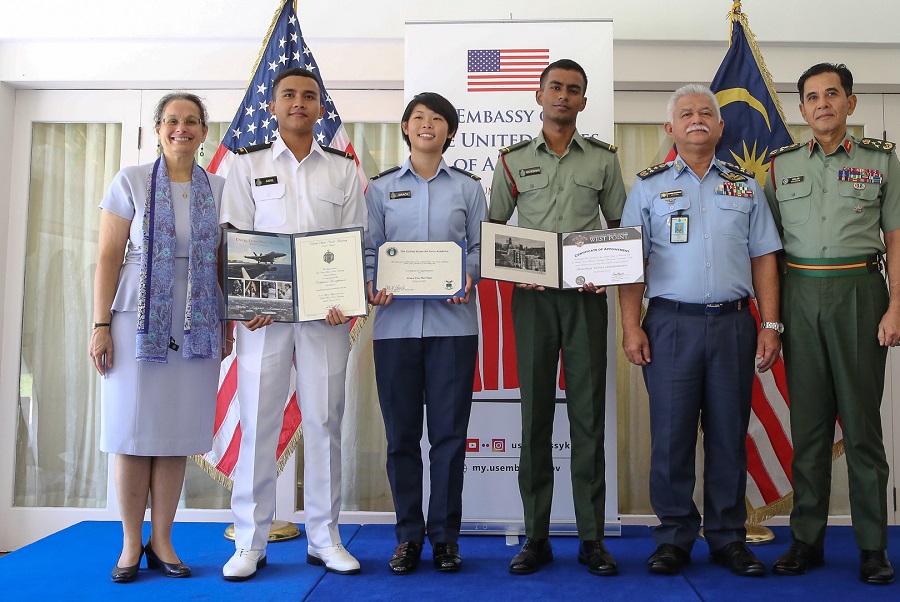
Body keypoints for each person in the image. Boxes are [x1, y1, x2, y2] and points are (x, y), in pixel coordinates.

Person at [764, 63, 900, 585]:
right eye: (812, 97)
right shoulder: (781, 166)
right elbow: (764, 247)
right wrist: (770, 318)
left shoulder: (879, 162)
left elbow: (897, 238)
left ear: (850, 104)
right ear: (803, 109)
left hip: (859, 291)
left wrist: (896, 306)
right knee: (807, 428)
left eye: (832, 94)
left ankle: (873, 546)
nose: (822, 104)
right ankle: (805, 540)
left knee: (861, 428)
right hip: (800, 294)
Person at [619, 84, 782, 577]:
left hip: (735, 324)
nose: (696, 119)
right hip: (670, 325)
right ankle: (673, 538)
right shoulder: (648, 187)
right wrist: (631, 327)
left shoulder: (745, 186)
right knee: (670, 438)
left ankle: (729, 538)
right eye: (685, 113)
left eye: (705, 113)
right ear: (669, 128)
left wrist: (770, 325)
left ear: (720, 126)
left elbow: (764, 260)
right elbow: (631, 264)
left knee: (730, 435)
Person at [220, 67, 368, 581]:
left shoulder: (343, 171)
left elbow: (353, 240)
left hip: (325, 317)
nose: (299, 103)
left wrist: (345, 296)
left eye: (309, 96)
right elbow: (236, 236)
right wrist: (248, 299)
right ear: (273, 105)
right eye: (289, 95)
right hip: (264, 315)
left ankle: (324, 538)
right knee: (259, 421)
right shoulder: (247, 165)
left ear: (321, 108)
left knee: (324, 421)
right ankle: (249, 541)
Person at [489, 59, 627, 576]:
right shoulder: (513, 161)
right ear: (540, 96)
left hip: (587, 298)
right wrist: (512, 269)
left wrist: (608, 267)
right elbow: (494, 228)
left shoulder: (604, 161)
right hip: (533, 299)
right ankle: (537, 535)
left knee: (588, 416)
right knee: (535, 416)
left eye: (573, 90)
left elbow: (620, 226)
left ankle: (592, 538)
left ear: (584, 101)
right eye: (555, 88)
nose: (563, 97)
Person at [90, 92, 232, 583]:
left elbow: (223, 260)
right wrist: (100, 324)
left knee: (174, 436)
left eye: (191, 121)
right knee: (131, 434)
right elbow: (109, 255)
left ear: (203, 131)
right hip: (135, 320)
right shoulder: (129, 180)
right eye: (172, 120)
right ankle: (131, 543)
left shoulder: (218, 187)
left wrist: (227, 320)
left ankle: (164, 540)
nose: (181, 128)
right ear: (157, 129)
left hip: (196, 320)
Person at [365, 92, 487, 574]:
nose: (428, 125)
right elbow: (370, 250)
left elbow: (479, 246)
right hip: (394, 330)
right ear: (405, 127)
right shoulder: (379, 190)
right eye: (419, 118)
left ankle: (445, 539)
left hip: (453, 328)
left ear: (450, 132)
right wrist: (373, 283)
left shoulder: (469, 189)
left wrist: (469, 277)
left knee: (450, 438)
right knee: (400, 439)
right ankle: (408, 538)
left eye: (438, 119)